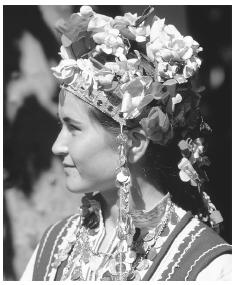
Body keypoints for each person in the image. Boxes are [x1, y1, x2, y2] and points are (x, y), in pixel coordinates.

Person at [20, 6, 231, 281]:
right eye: (62, 126)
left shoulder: (208, 267)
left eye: (74, 128)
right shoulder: (54, 244)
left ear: (133, 143)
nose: (56, 146)